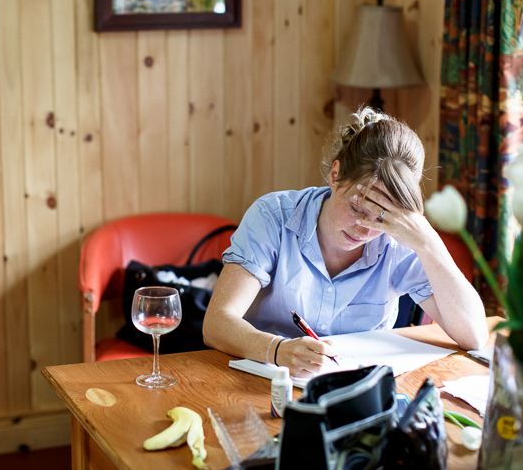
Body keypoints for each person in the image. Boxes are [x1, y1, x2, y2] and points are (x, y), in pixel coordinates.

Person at [202, 107, 489, 378]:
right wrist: (277, 350)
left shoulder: (399, 239)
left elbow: (474, 335)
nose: (364, 229)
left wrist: (428, 242)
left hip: (353, 393)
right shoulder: (273, 216)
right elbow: (216, 324)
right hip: (262, 383)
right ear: (335, 175)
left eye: (381, 218)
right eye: (356, 209)